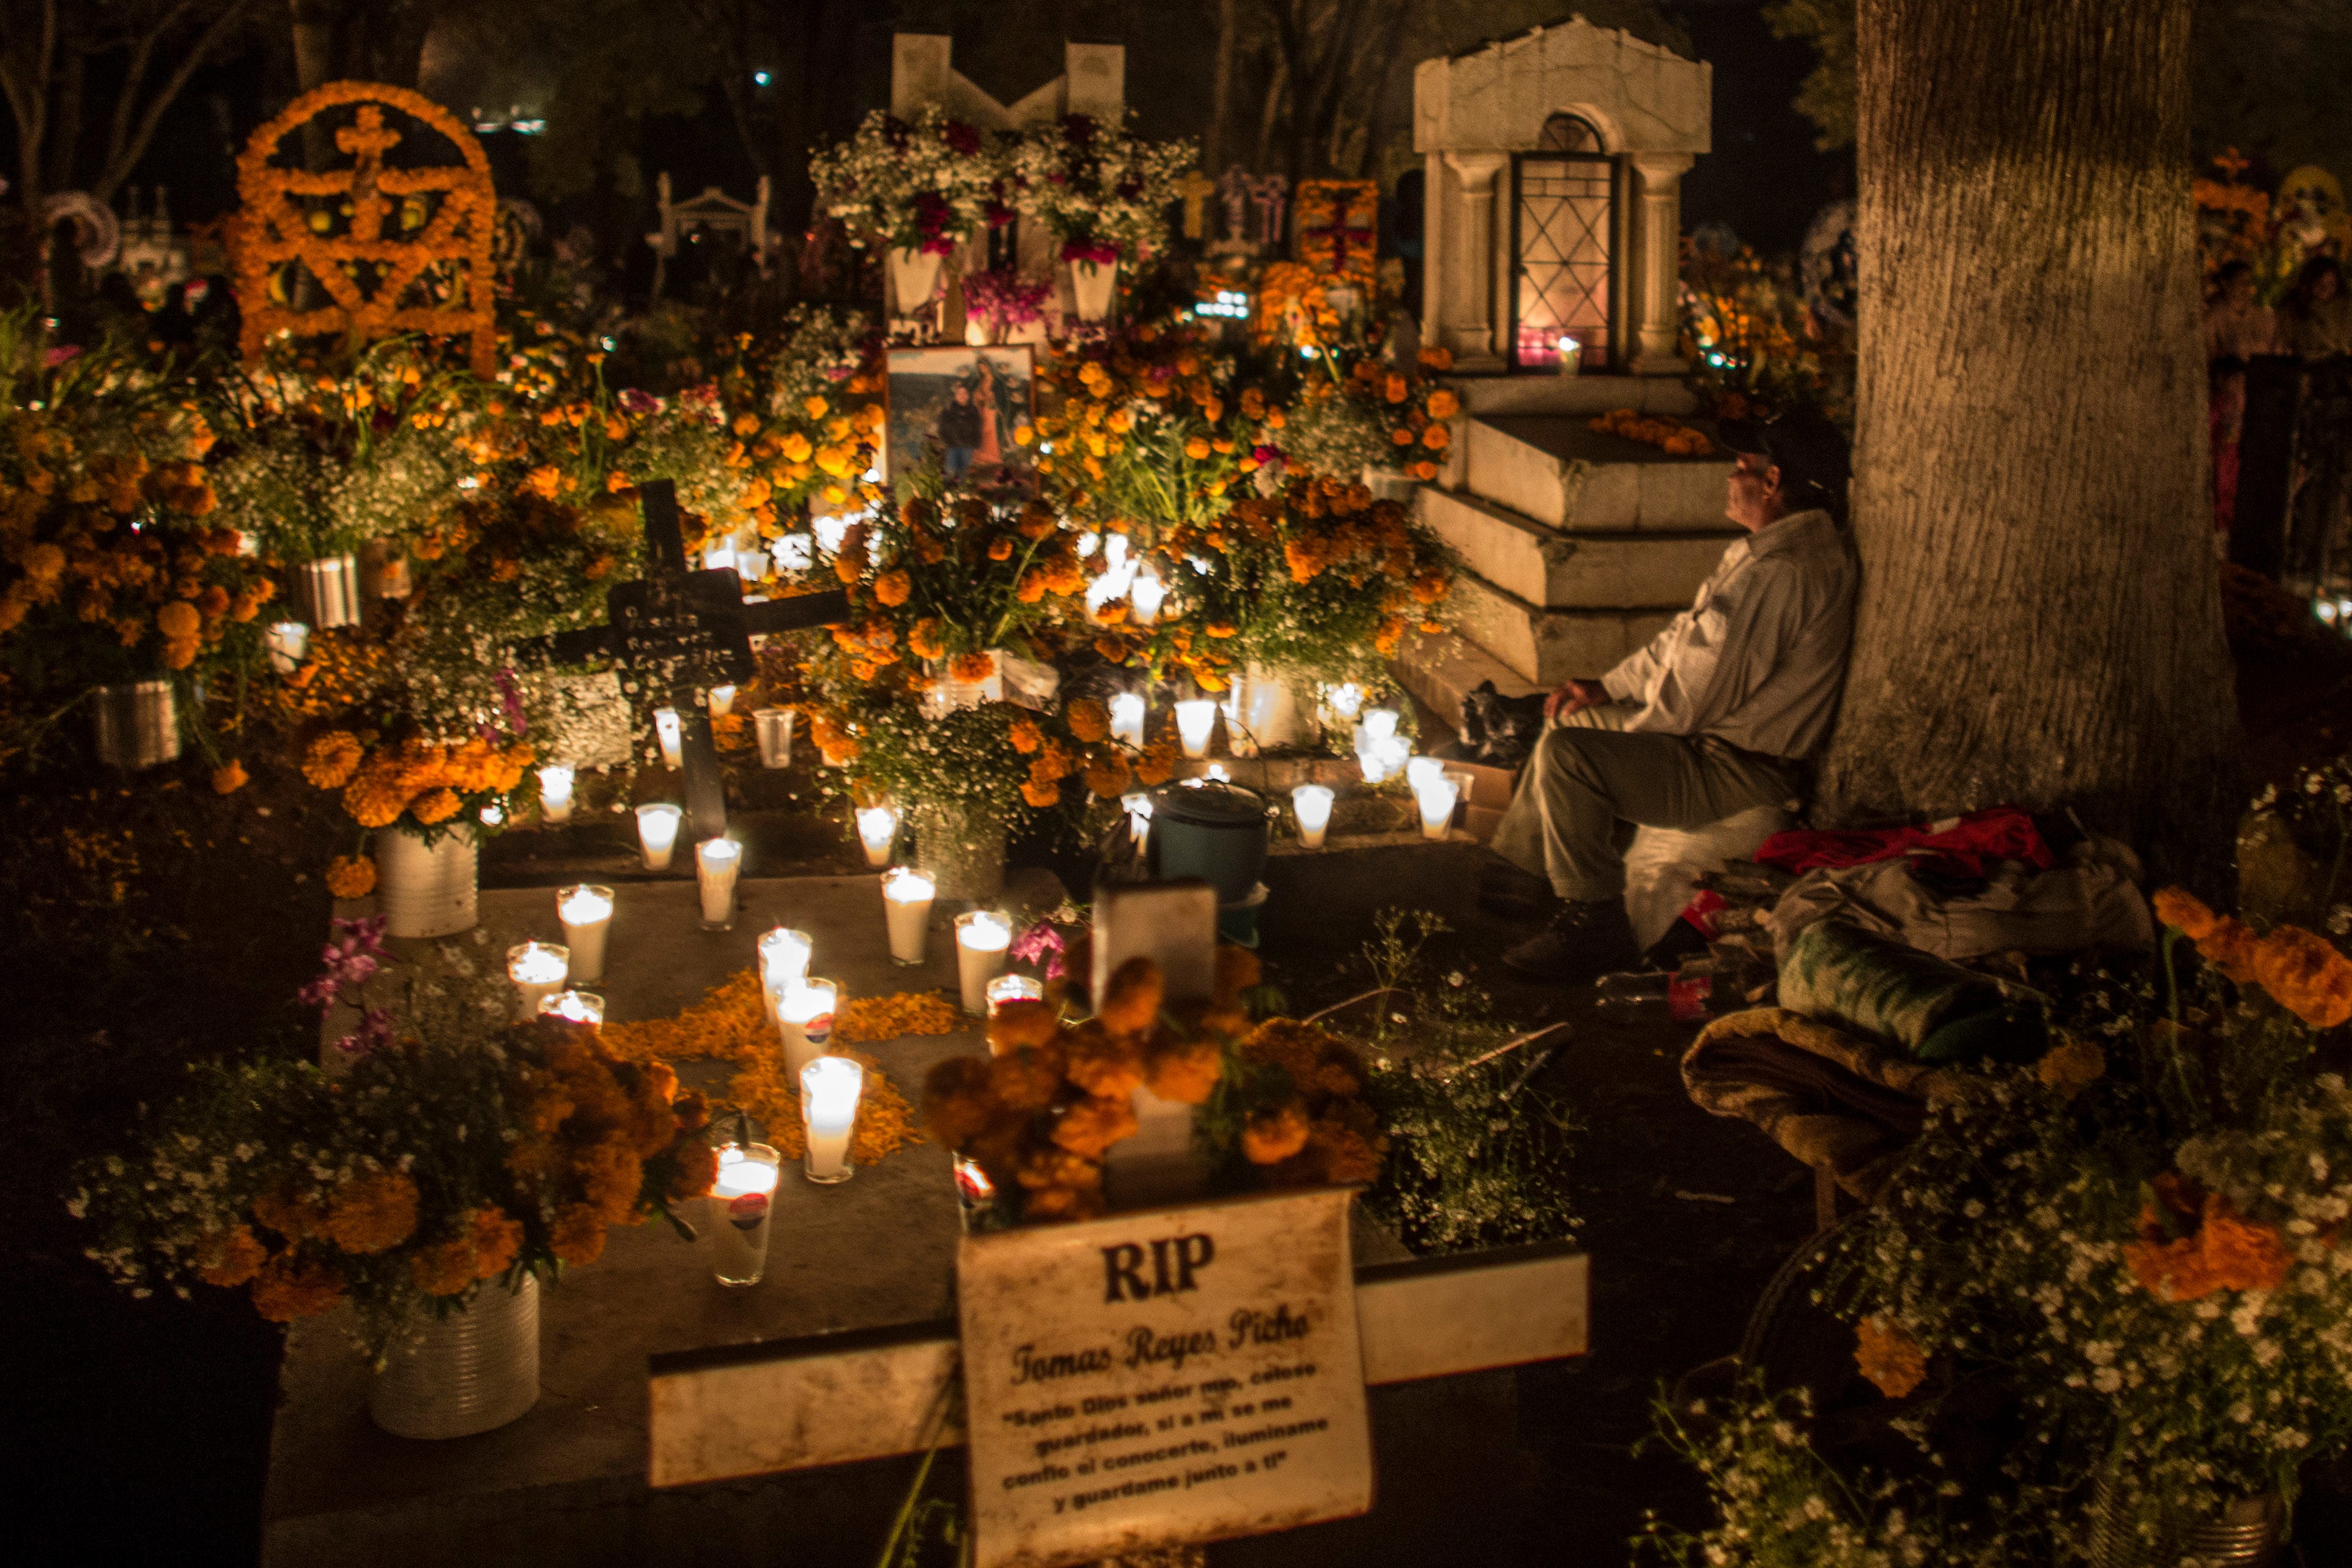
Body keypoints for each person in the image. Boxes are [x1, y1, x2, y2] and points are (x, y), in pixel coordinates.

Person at [1487, 412, 1857, 983]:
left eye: (1741, 466)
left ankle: (1597, 923)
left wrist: (1619, 745)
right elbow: (1685, 642)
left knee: (1571, 758)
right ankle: (1529, 875)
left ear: (1773, 481)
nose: (1730, 476)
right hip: (1707, 744)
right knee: (1569, 721)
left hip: (1734, 770)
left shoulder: (1780, 572)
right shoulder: (1769, 551)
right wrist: (1609, 688)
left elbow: (1691, 701)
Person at [2206, 261, 2277, 533]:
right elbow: (2208, 358)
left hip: (2256, 398)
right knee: (2224, 459)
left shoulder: (2263, 318)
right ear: (2225, 284)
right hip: (2227, 396)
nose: (2246, 289)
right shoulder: (2215, 318)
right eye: (2240, 282)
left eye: (2249, 283)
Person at [2279, 256, 2352, 360]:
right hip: (2303, 368)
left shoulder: (2345, 311)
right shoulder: (2294, 310)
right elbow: (2286, 343)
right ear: (2309, 283)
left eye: (2331, 284)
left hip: (2337, 369)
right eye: (2319, 283)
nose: (2325, 289)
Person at [936, 380, 982, 481]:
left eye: (964, 393)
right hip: (952, 446)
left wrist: (976, 444)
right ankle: (947, 493)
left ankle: (962, 494)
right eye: (959, 393)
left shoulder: (973, 411)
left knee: (963, 473)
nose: (962, 396)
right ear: (955, 396)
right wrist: (947, 441)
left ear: (968, 396)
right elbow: (942, 428)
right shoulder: (948, 410)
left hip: (967, 447)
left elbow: (977, 429)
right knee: (950, 471)